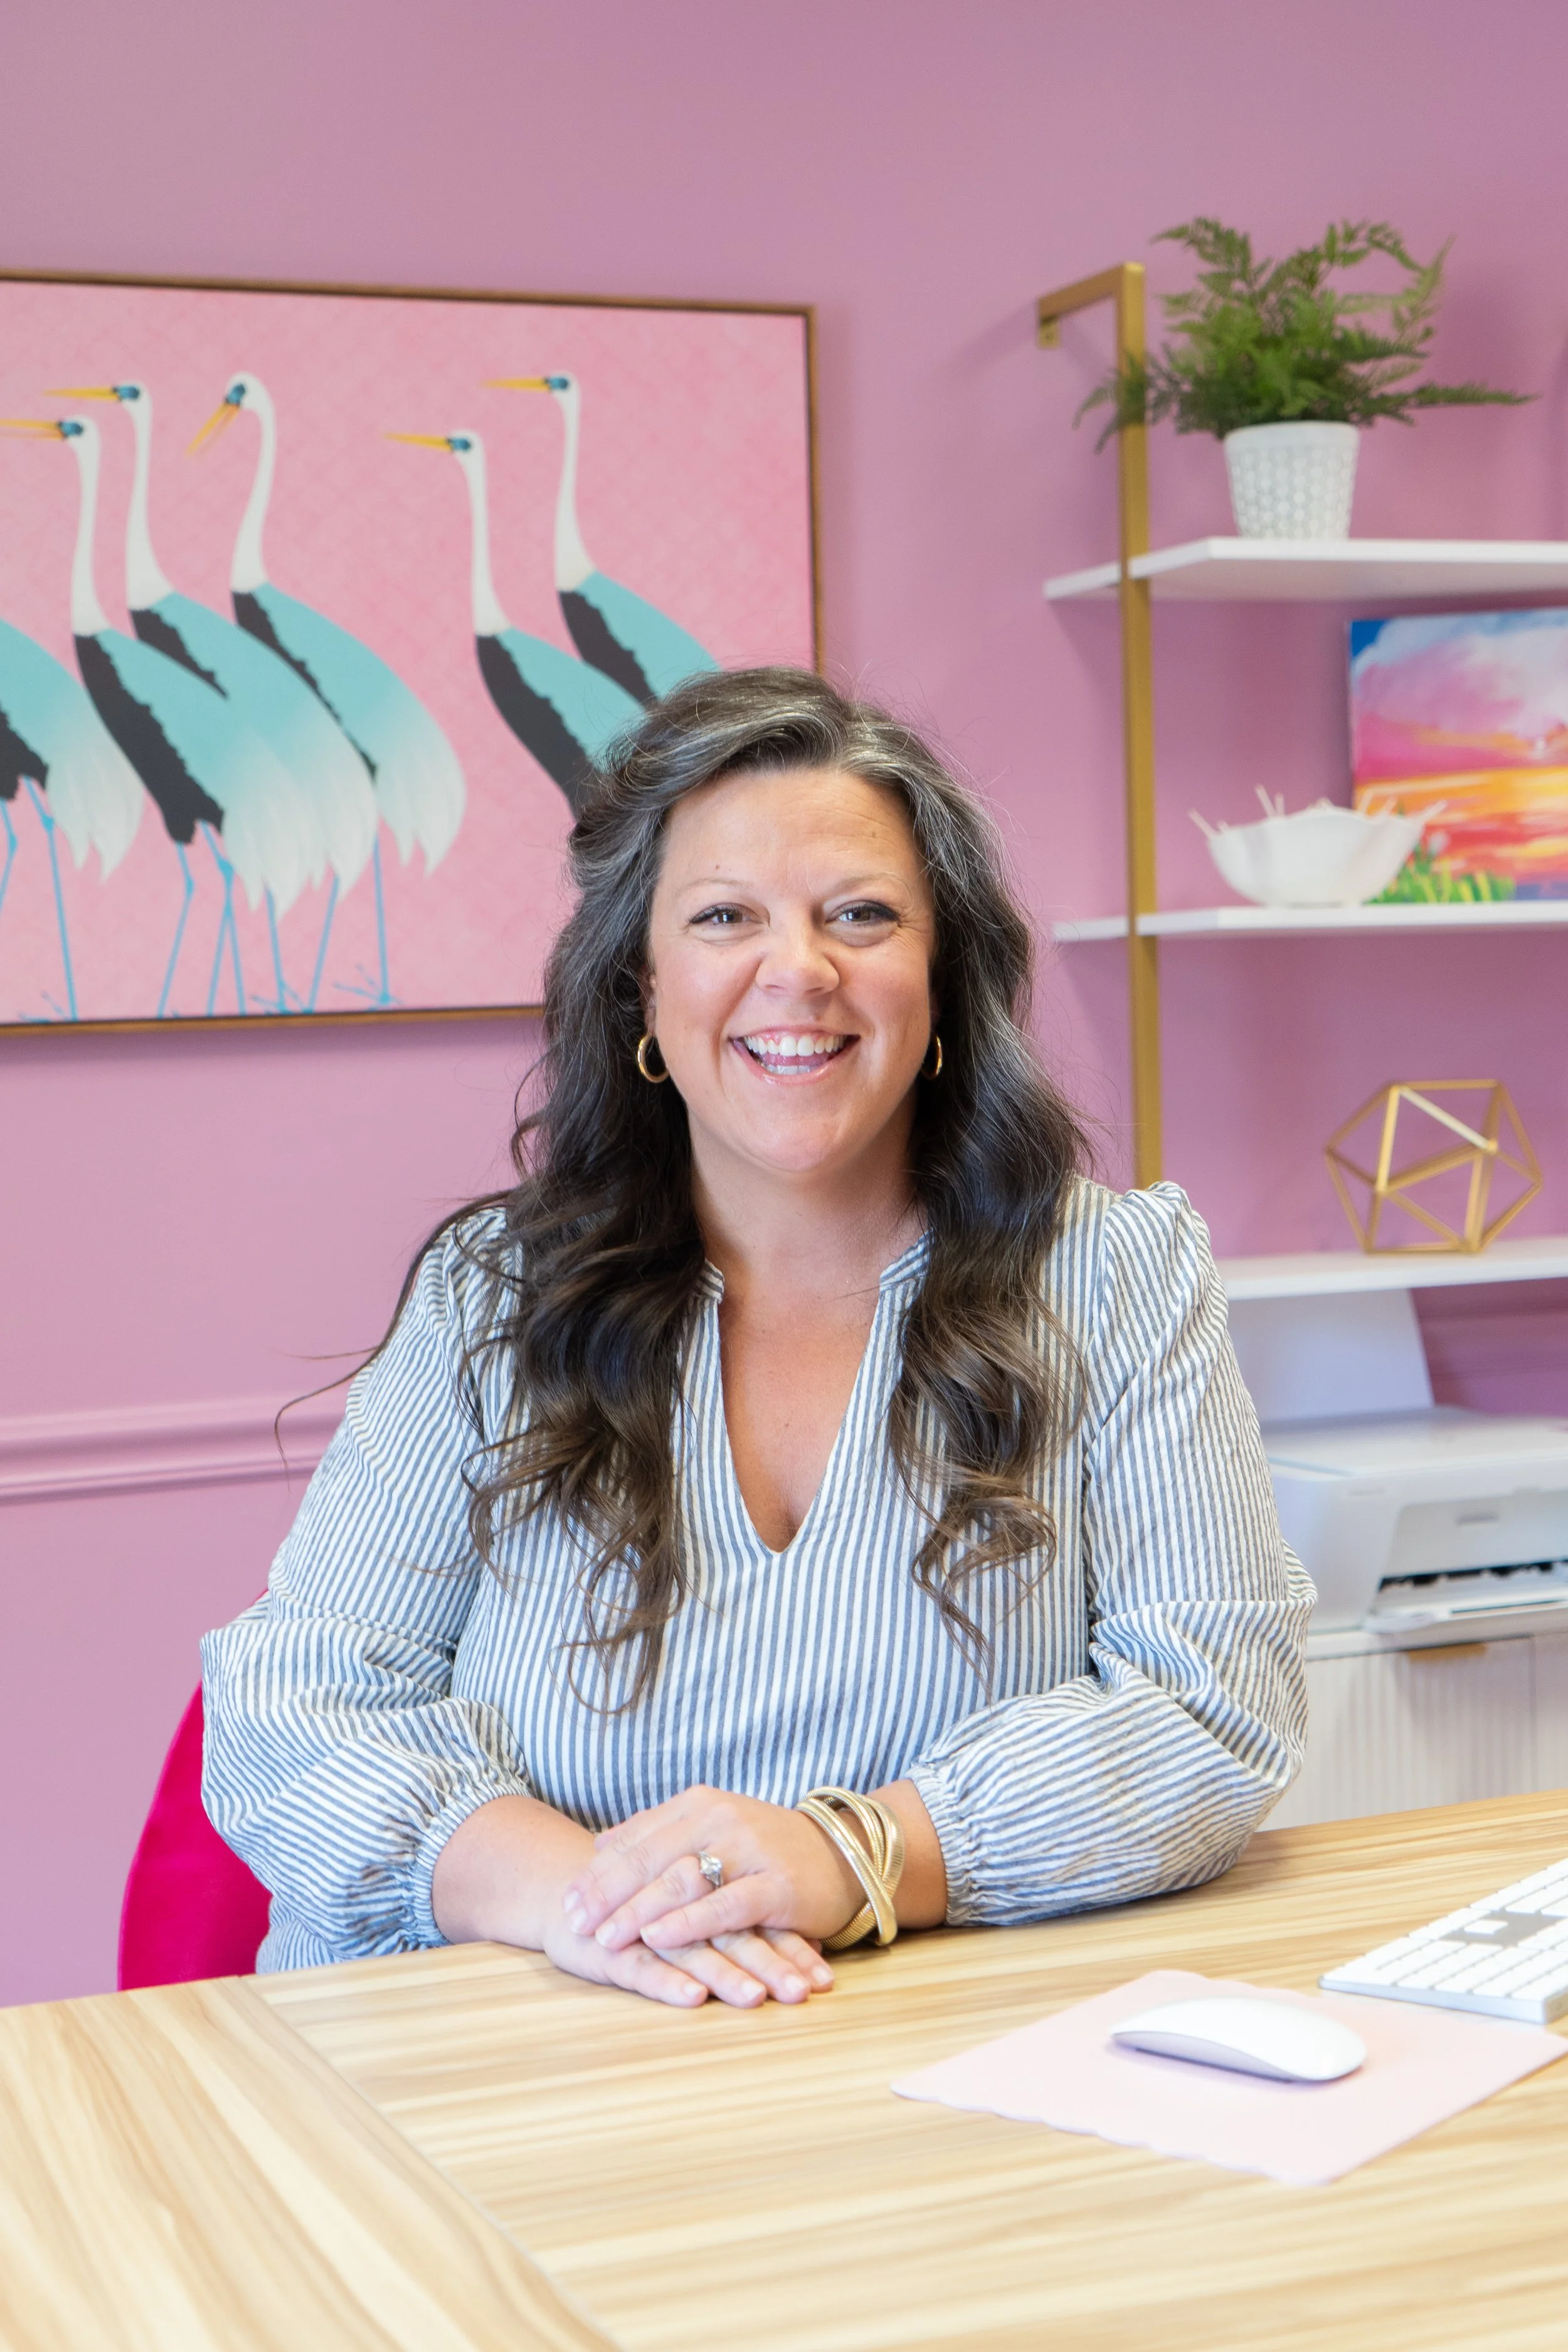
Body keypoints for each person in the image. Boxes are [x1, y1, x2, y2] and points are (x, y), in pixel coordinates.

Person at [202, 667, 1311, 2011]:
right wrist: (601, 1906)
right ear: (641, 986)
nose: (799, 970)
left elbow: (1212, 1705)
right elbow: (298, 1708)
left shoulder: (1117, 1276)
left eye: (861, 914)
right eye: (725, 915)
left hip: (931, 2054)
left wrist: (851, 1855)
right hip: (513, 2045)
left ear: (943, 977)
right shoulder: (488, 1299)